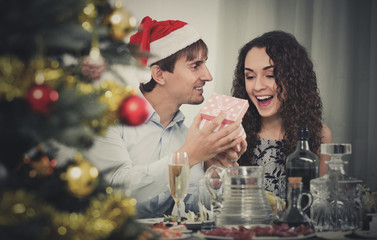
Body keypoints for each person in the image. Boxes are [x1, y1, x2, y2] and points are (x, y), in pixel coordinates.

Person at [85, 16, 246, 218]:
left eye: (204, 64)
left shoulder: (185, 135)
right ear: (159, 74)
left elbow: (191, 207)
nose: (208, 76)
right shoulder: (107, 119)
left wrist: (214, 173)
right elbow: (118, 188)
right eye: (195, 65)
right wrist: (188, 157)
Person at [232, 31, 332, 199]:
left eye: (270, 75)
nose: (257, 86)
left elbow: (319, 205)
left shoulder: (319, 134)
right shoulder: (233, 131)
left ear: (294, 79)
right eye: (250, 76)